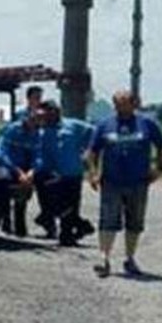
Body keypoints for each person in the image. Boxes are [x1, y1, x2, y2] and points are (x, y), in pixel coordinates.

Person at [87, 90, 162, 277]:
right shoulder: (105, 125)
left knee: (135, 221)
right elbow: (92, 151)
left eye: (124, 103)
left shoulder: (147, 124)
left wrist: (159, 168)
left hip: (138, 181)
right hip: (111, 181)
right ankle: (104, 258)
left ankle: (130, 258)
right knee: (107, 220)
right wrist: (93, 173)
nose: (119, 107)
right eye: (116, 103)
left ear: (133, 104)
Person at [34, 100, 95, 247]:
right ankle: (81, 225)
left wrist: (88, 150)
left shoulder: (73, 125)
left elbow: (94, 133)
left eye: (48, 112)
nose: (45, 116)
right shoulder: (42, 131)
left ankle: (68, 234)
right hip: (53, 174)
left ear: (56, 111)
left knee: (72, 205)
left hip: (73, 173)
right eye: (43, 114)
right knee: (58, 205)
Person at [0, 111, 40, 236]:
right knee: (3, 177)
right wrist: (17, 171)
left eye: (37, 120)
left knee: (25, 189)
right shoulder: (11, 130)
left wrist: (32, 171)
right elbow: (2, 153)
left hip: (24, 168)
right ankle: (5, 220)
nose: (34, 122)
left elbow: (39, 156)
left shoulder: (37, 133)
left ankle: (21, 226)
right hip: (6, 165)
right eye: (32, 119)